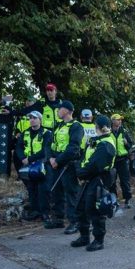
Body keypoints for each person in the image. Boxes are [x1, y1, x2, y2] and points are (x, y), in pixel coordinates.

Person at [72, 114, 117, 251]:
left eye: (96, 126)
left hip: (98, 179)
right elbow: (85, 158)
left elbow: (95, 165)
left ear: (100, 127)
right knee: (80, 207)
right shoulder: (97, 140)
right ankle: (84, 236)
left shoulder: (106, 143)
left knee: (95, 210)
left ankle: (98, 240)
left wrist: (80, 172)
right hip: (88, 178)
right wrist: (80, 168)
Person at [46, 99, 84, 233]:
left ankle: (75, 222)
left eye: (59, 108)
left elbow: (73, 148)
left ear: (67, 110)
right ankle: (58, 219)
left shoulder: (76, 126)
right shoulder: (58, 125)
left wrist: (58, 161)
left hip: (68, 164)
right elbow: (49, 143)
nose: (57, 111)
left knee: (71, 193)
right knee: (57, 191)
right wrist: (50, 158)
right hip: (55, 163)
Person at [17, 111, 51, 221]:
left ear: (40, 120)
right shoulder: (25, 133)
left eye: (34, 118)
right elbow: (19, 147)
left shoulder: (47, 133)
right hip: (28, 165)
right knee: (31, 189)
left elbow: (45, 150)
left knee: (42, 189)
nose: (31, 120)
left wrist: (29, 159)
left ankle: (44, 213)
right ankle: (35, 211)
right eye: (30, 118)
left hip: (41, 164)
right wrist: (22, 158)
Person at [110, 114, 134, 209]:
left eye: (120, 120)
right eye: (118, 119)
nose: (120, 121)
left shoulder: (124, 132)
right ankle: (114, 200)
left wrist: (126, 143)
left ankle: (128, 200)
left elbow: (130, 146)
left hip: (123, 160)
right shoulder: (108, 131)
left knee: (125, 181)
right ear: (112, 121)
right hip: (112, 160)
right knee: (111, 181)